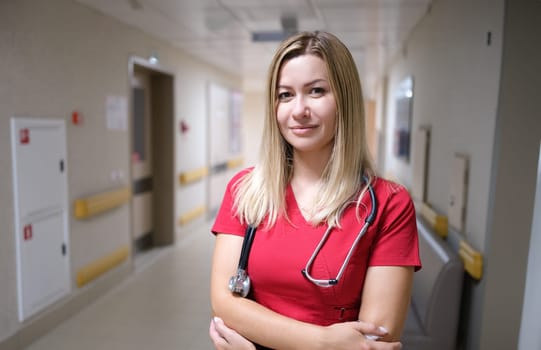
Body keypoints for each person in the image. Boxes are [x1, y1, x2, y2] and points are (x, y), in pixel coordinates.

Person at [209, 31, 421, 350]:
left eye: (316, 91)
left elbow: (374, 340)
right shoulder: (245, 191)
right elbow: (223, 302)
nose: (299, 110)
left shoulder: (390, 204)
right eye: (285, 95)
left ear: (345, 99)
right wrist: (324, 341)